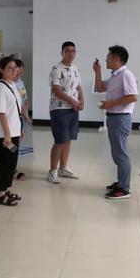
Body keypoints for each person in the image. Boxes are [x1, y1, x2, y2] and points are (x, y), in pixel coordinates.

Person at [93, 45, 139, 200]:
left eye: (108, 57)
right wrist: (97, 72)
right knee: (117, 153)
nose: (106, 59)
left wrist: (110, 103)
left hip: (121, 118)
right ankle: (120, 182)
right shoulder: (115, 76)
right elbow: (100, 87)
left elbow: (133, 96)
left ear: (116, 59)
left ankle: (124, 188)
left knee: (121, 154)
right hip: (113, 118)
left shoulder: (126, 75)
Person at [48, 41, 84, 184]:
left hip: (72, 109)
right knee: (60, 140)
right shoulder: (56, 69)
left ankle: (63, 168)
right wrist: (72, 101)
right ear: (62, 53)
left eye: (73, 51)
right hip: (59, 109)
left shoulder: (75, 68)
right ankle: (52, 170)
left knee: (68, 139)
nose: (70, 53)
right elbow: (56, 90)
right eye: (67, 51)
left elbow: (79, 87)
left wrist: (81, 100)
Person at [0, 56, 23, 206]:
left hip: (13, 132)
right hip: (5, 135)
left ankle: (6, 189)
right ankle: (0, 194)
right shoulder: (0, 87)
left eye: (15, 68)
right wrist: (7, 134)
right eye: (9, 68)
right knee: (3, 163)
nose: (13, 71)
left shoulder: (12, 85)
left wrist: (19, 129)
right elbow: (1, 112)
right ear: (1, 70)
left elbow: (14, 111)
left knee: (11, 163)